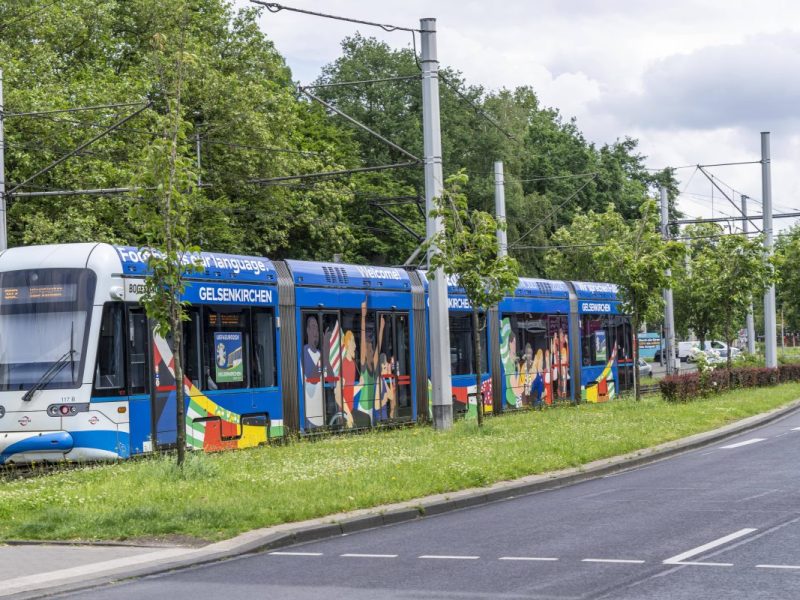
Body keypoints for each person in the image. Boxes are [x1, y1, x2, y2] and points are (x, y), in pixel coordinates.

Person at [302, 315, 323, 428]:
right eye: (313, 327)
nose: (316, 332)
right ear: (307, 330)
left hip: (321, 411)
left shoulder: (319, 353)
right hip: (311, 415)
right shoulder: (305, 352)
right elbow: (312, 381)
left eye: (317, 328)